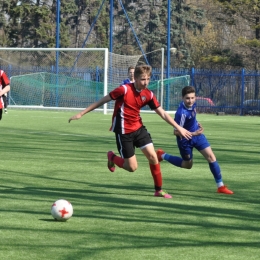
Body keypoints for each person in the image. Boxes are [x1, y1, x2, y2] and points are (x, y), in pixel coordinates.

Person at [69, 65, 192, 199]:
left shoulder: (149, 94)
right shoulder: (124, 89)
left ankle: (158, 190)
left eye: (148, 79)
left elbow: (162, 113)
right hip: (123, 132)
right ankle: (112, 157)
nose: (146, 82)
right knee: (132, 167)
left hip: (138, 129)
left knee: (153, 157)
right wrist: (81, 113)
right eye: (143, 79)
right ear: (136, 78)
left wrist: (178, 127)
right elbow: (103, 100)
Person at [156, 86, 233, 195]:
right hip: (185, 140)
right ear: (182, 98)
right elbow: (176, 132)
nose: (190, 100)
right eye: (187, 98)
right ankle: (162, 155)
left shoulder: (193, 104)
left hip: (198, 136)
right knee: (187, 165)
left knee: (211, 157)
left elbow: (193, 117)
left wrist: (197, 125)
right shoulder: (181, 113)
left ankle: (220, 186)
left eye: (192, 98)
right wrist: (193, 133)